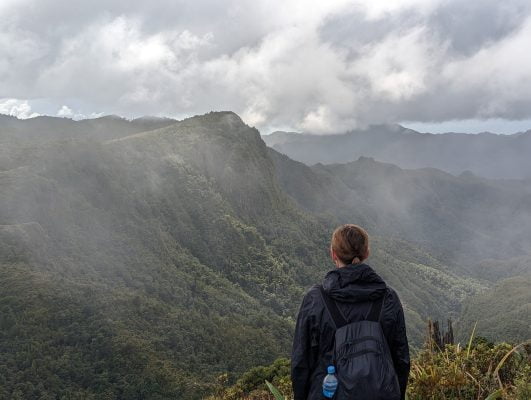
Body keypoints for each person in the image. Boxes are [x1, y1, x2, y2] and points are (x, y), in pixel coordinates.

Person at [291, 224, 410, 400]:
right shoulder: (388, 298)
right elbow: (401, 359)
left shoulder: (316, 300)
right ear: (366, 253)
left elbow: (301, 362)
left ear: (333, 254)